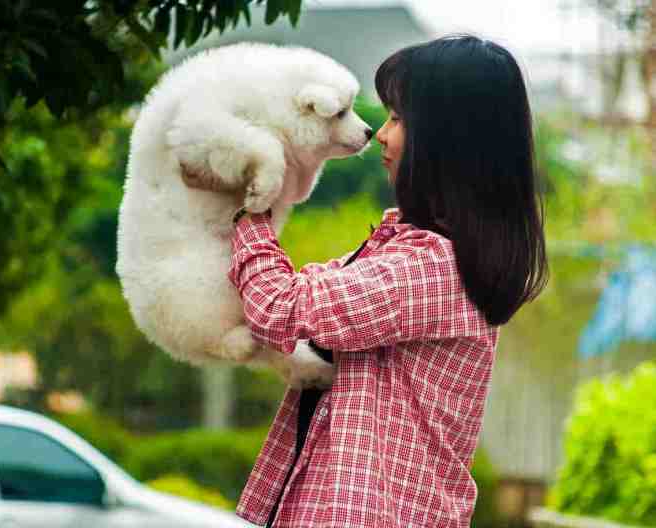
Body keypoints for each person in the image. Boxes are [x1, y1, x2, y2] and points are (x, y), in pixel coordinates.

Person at [227, 34, 549, 528]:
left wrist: (248, 205)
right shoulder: (407, 250)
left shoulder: (434, 269)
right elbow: (305, 295)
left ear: (446, 143)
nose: (380, 133)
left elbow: (281, 308)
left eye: (398, 118)